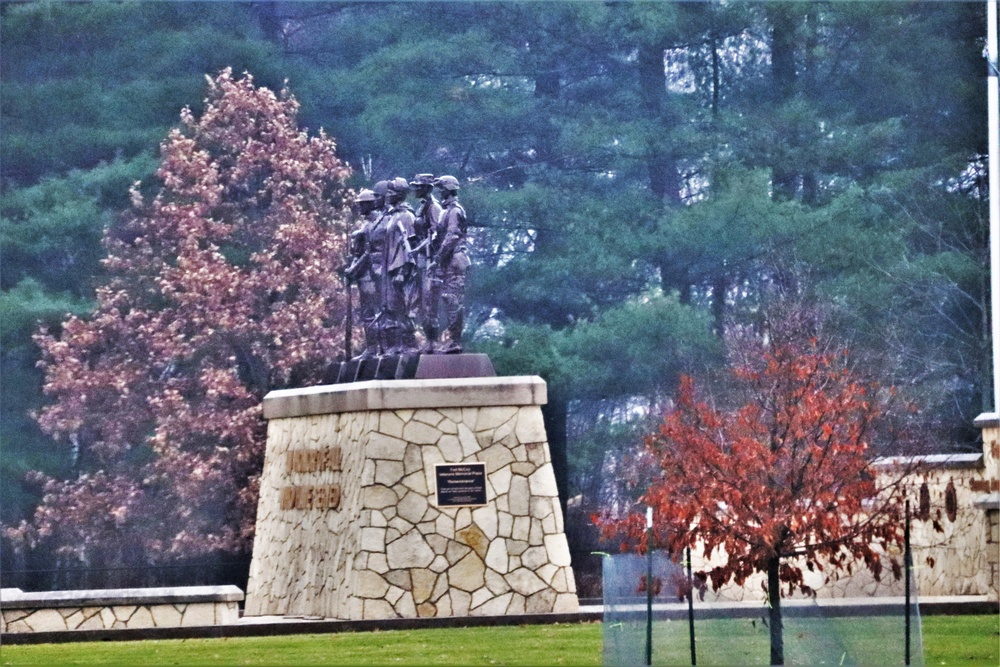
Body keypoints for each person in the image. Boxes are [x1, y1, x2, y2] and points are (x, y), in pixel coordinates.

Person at [425, 175, 469, 354]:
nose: (440, 191)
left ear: (449, 189)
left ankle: (455, 341)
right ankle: (452, 339)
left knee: (453, 300)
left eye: (442, 188)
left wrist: (437, 259)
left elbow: (452, 237)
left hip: (455, 259)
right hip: (449, 260)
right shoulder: (447, 211)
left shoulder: (454, 211)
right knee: (448, 299)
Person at [379, 178, 418, 353]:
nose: (388, 195)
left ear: (400, 194)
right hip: (390, 268)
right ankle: (397, 345)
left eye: (392, 192)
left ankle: (409, 344)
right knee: (392, 307)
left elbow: (409, 246)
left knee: (404, 307)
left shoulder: (407, 216)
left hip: (401, 268)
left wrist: (404, 270)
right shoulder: (393, 215)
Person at [344, 189, 380, 359]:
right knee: (367, 313)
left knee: (373, 312)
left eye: (362, 204)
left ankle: (375, 348)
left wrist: (353, 270)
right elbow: (358, 253)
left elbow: (368, 254)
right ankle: (372, 347)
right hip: (363, 274)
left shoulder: (374, 224)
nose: (359, 207)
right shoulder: (365, 225)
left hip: (372, 275)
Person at [409, 173, 441, 341]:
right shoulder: (421, 207)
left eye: (419, 187)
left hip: (430, 259)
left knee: (429, 302)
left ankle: (432, 341)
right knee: (420, 302)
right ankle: (428, 340)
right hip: (420, 259)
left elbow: (437, 234)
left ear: (427, 189)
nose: (416, 189)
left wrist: (420, 248)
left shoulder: (434, 207)